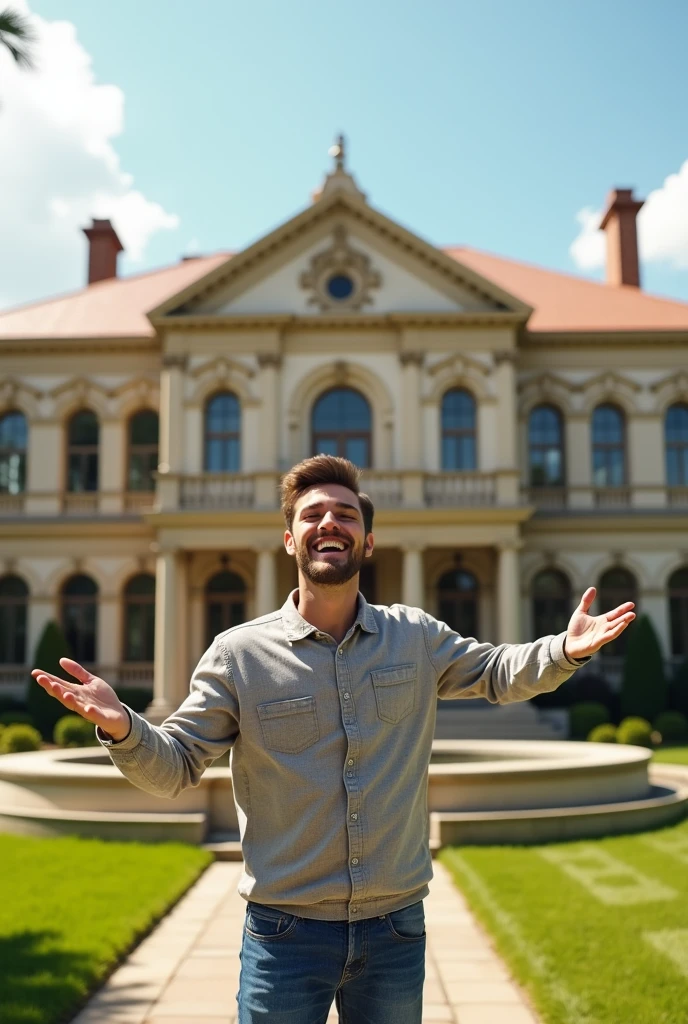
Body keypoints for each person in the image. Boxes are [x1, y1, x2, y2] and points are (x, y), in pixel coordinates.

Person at [32, 455, 636, 1024]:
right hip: (285, 937)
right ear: (290, 540)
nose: (330, 523)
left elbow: (498, 672)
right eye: (313, 514)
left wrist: (563, 650)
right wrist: (122, 727)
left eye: (346, 515)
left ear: (367, 542)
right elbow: (176, 766)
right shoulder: (239, 655)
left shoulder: (415, 636)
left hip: (396, 929)